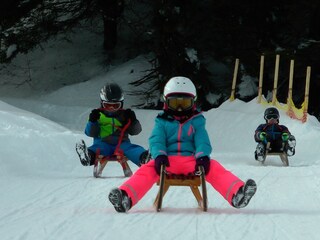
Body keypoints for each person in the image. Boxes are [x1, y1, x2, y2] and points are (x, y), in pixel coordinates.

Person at [108, 76, 257, 213]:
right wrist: (159, 155)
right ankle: (126, 197)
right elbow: (156, 139)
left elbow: (202, 140)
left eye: (184, 103)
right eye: (175, 103)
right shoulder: (162, 121)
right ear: (166, 103)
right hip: (166, 162)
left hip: (192, 162)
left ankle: (237, 194)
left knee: (214, 167)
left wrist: (203, 156)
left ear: (193, 103)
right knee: (147, 169)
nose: (179, 108)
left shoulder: (197, 121)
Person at [76, 82, 149, 167]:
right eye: (107, 105)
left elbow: (135, 132)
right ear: (102, 103)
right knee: (97, 149)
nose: (111, 109)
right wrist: (92, 121)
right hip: (103, 143)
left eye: (115, 106)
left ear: (121, 104)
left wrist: (133, 120)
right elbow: (90, 133)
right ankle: (88, 156)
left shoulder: (125, 115)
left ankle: (144, 158)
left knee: (132, 149)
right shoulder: (98, 115)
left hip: (122, 143)